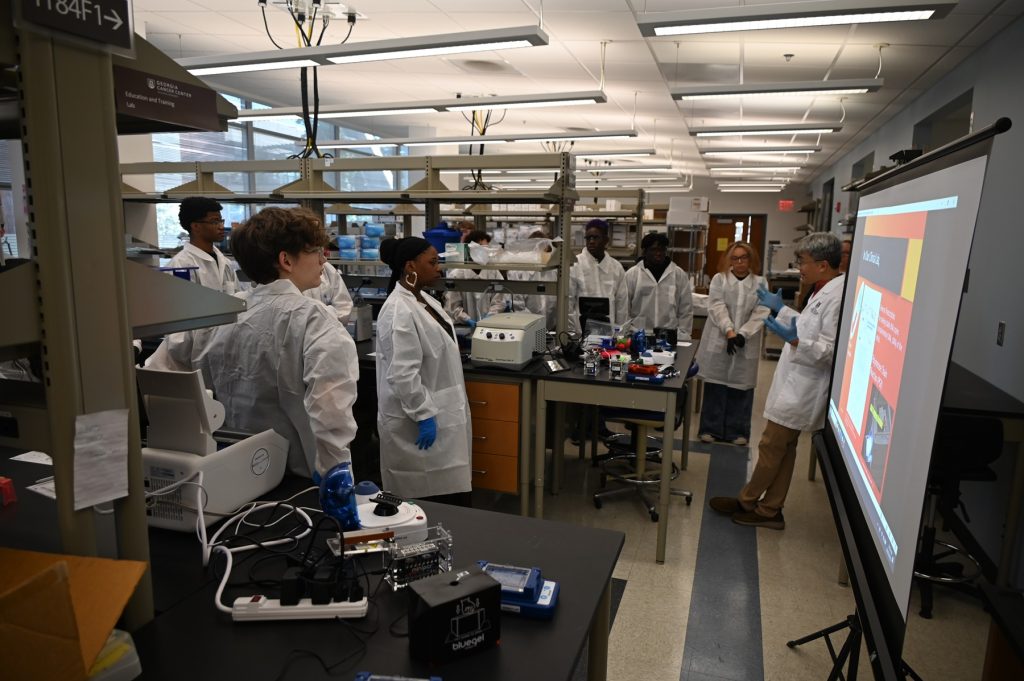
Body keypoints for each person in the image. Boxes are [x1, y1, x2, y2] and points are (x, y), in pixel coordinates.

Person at [172, 207, 359, 479]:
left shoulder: (225, 311)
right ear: (286, 260)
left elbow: (166, 370)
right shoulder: (314, 319)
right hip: (299, 473)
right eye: (315, 251)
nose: (322, 259)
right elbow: (331, 414)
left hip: (232, 468)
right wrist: (335, 472)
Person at [709, 232, 845, 530]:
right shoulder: (824, 289)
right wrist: (782, 310)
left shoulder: (837, 297)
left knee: (771, 446)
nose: (799, 268)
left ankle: (748, 500)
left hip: (804, 387)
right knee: (784, 450)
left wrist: (796, 341)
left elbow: (830, 351)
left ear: (822, 265)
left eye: (803, 262)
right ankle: (770, 509)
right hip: (795, 382)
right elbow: (807, 325)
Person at [375, 237, 472, 505]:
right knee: (426, 505)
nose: (439, 268)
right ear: (410, 266)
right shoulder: (399, 310)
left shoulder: (425, 299)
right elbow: (402, 374)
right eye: (432, 262)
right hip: (416, 422)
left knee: (452, 497)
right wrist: (423, 414)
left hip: (444, 411)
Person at [695, 241, 770, 446]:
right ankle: (710, 428)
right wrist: (729, 331)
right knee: (715, 383)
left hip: (747, 340)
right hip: (720, 338)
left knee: (741, 384)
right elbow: (716, 306)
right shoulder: (720, 279)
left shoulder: (760, 283)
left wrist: (743, 334)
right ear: (729, 260)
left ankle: (738, 430)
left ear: (750, 260)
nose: (739, 262)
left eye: (744, 257)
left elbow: (761, 311)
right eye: (735, 258)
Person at [622, 232, 693, 342]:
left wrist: (683, 334)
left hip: (670, 336)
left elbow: (686, 308)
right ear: (644, 251)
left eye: (662, 250)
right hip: (639, 335)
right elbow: (624, 308)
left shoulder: (678, 274)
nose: (658, 253)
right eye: (654, 250)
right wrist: (628, 331)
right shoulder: (632, 274)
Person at [168, 197, 240, 294]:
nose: (221, 227)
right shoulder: (180, 266)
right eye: (215, 222)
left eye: (221, 221)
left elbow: (238, 297)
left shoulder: (226, 263)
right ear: (196, 226)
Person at [568, 219, 629, 335]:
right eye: (588, 238)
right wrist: (571, 333)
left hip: (609, 333)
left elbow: (621, 305)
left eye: (596, 238)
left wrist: (620, 335)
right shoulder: (575, 265)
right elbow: (568, 302)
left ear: (606, 240)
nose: (591, 241)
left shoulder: (616, 267)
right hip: (581, 333)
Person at [444, 229, 508, 327]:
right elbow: (452, 306)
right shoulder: (457, 275)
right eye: (481, 248)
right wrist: (466, 319)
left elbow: (499, 301)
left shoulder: (493, 272)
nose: (484, 252)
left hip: (490, 326)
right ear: (470, 249)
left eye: (487, 248)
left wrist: (490, 316)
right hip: (464, 327)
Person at [509, 229, 558, 329]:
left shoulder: (554, 271)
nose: (538, 251)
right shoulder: (518, 272)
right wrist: (535, 327)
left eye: (543, 248)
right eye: (535, 248)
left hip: (552, 329)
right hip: (526, 328)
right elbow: (518, 306)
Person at [304, 255, 354, 324]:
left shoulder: (327, 269)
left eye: (321, 252)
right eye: (315, 251)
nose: (324, 259)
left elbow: (344, 308)